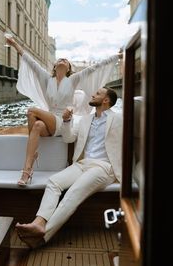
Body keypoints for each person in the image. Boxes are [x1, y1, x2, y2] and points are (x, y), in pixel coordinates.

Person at [15, 87, 123, 248]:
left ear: (106, 100)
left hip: (104, 167)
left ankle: (43, 235)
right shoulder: (86, 120)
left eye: (98, 93)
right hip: (82, 163)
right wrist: (66, 121)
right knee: (53, 182)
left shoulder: (119, 119)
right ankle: (39, 222)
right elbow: (68, 138)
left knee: (74, 192)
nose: (93, 94)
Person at [6, 35, 121, 186]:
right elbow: (29, 60)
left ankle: (32, 159)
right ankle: (27, 170)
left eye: (66, 61)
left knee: (31, 111)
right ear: (54, 66)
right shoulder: (47, 79)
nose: (62, 60)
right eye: (60, 60)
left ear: (68, 69)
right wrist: (14, 44)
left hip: (63, 121)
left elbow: (95, 68)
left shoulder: (73, 80)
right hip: (50, 120)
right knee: (37, 126)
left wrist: (115, 57)